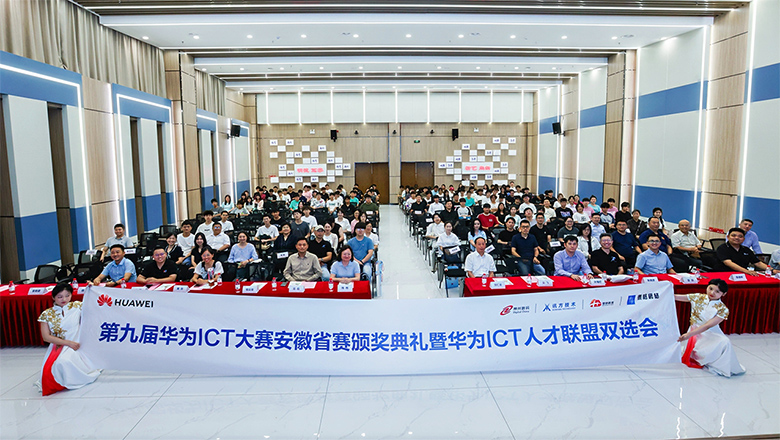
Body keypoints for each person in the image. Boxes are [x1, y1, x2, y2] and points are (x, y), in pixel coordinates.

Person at [37, 284, 100, 396]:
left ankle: (72, 380)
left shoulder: (77, 306)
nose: (64, 299)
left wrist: (93, 289)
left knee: (63, 362)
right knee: (51, 370)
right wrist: (68, 343)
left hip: (77, 344)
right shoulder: (46, 314)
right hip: (59, 345)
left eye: (67, 295)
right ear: (53, 297)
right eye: (60, 297)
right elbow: (46, 337)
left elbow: (95, 305)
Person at [675, 279, 745, 377]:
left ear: (724, 294)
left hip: (710, 333)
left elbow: (708, 325)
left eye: (717, 291)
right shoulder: (698, 297)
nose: (712, 293)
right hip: (694, 331)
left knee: (725, 342)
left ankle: (722, 365)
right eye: (710, 288)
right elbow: (675, 297)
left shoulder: (723, 309)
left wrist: (689, 334)